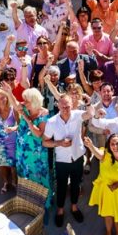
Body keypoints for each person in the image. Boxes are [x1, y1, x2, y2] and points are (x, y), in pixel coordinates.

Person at [44, 93, 86, 227]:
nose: (65, 108)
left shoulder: (78, 115)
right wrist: (59, 143)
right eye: (62, 106)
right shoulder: (52, 122)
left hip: (77, 157)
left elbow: (91, 113)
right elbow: (45, 142)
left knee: (76, 184)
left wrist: (88, 102)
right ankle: (60, 210)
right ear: (57, 106)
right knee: (61, 186)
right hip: (62, 160)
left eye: (67, 106)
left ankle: (74, 207)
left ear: (72, 105)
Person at [11, 86, 52, 205]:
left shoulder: (44, 113)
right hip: (22, 152)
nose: (23, 102)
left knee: (38, 176)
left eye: (26, 101)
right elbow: (14, 103)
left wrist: (27, 118)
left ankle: (42, 202)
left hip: (35, 154)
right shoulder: (25, 108)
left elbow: (38, 134)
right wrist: (9, 92)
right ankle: (28, 200)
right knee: (24, 175)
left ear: (34, 101)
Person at [0, 87, 18, 192]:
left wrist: (13, 128)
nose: (1, 100)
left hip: (11, 142)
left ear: (7, 97)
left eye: (3, 97)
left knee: (13, 165)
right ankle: (5, 182)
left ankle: (14, 181)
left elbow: (20, 124)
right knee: (1, 164)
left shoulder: (13, 109)